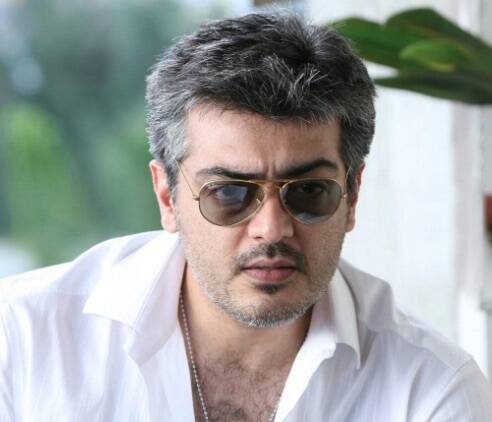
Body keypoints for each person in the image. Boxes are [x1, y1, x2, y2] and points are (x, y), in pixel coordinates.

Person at [1, 12, 491, 422]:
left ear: (353, 195)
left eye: (309, 191)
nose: (272, 229)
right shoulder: (22, 341)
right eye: (230, 193)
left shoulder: (429, 391)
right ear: (167, 197)